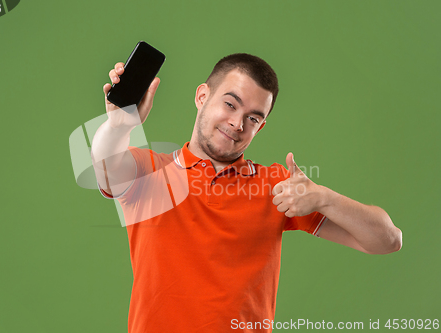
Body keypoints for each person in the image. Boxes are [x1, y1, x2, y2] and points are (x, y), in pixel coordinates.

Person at [90, 53, 402, 333]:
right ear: (202, 96)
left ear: (261, 127)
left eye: (253, 117)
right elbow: (105, 166)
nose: (238, 123)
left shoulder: (279, 187)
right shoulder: (149, 173)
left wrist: (325, 198)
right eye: (230, 104)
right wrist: (119, 125)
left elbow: (387, 240)